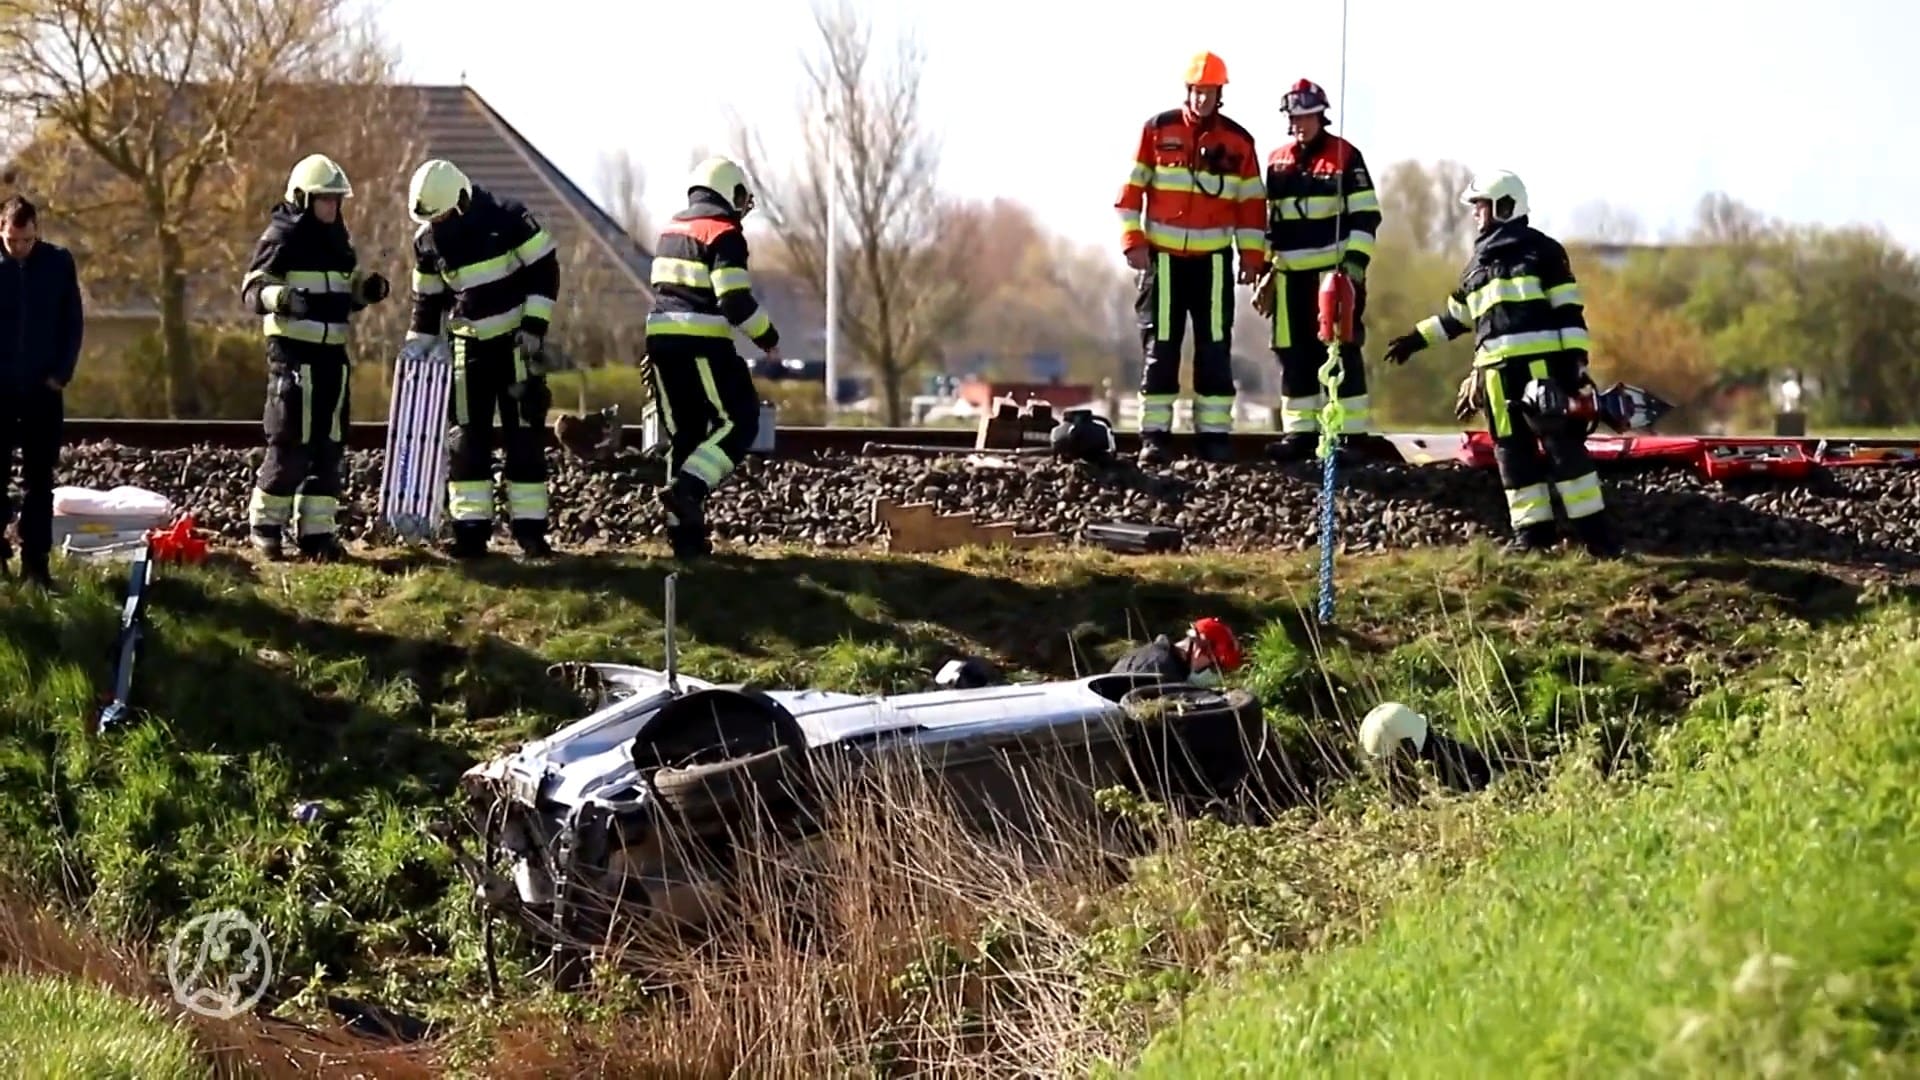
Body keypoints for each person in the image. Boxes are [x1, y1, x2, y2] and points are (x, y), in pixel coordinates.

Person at [1380, 170, 1620, 557]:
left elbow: (1569, 312)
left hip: (1543, 372)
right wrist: (1415, 339)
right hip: (1496, 379)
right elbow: (1455, 318)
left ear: (1505, 207)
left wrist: (1574, 368)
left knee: (1564, 451)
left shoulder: (1543, 252)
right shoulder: (1475, 265)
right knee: (1512, 455)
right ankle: (1533, 537)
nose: (1476, 214)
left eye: (1481, 206)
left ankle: (1597, 538)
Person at [1115, 51, 1268, 466]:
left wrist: (1252, 257)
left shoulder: (1239, 142)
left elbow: (1252, 206)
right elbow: (1130, 194)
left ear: (1220, 95)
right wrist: (1133, 240)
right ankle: (1155, 437)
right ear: (1188, 92)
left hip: (1213, 264)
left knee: (1215, 349)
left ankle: (1215, 437)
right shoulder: (1156, 130)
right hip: (1162, 262)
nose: (1202, 100)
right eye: (1197, 92)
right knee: (1160, 348)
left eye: (1210, 93)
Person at [404, 159, 560, 559]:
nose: (436, 224)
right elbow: (427, 304)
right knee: (465, 443)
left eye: (440, 215)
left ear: (460, 200)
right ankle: (470, 535)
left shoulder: (508, 219)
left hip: (516, 348)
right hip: (465, 351)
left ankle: (530, 534)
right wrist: (416, 351)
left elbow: (545, 267)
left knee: (523, 438)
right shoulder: (426, 243)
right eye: (430, 218)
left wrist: (535, 327)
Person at [238, 154, 390, 561]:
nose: (333, 207)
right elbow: (252, 290)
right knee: (289, 443)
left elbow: (344, 293)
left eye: (337, 201)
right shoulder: (281, 238)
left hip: (332, 359)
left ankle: (316, 534)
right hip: (292, 358)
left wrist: (365, 291)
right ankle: (266, 527)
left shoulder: (338, 241)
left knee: (329, 448)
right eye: (326, 200)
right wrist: (282, 299)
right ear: (304, 198)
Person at [642, 156, 778, 561]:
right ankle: (688, 490)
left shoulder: (670, 229)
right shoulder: (724, 232)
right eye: (739, 196)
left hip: (660, 341)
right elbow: (733, 298)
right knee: (740, 421)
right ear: (725, 191)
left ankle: (684, 538)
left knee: (685, 434)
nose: (741, 206)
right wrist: (767, 337)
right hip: (700, 341)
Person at [1255, 79, 1382, 462]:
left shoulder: (1345, 156)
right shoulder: (1277, 161)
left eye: (1305, 116)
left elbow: (1366, 216)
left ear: (1320, 115)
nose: (1298, 123)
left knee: (1340, 353)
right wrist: (1265, 271)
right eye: (1293, 117)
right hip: (1289, 276)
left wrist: (1354, 268)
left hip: (1334, 278)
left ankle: (1349, 436)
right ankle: (1300, 435)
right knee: (1293, 355)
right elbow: (1268, 224)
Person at [0, 195, 82, 588]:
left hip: (41, 389)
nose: (19, 248)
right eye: (12, 241)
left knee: (40, 481)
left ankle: (37, 567)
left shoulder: (57, 264)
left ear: (37, 232)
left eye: (26, 241)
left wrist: (60, 375)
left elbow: (72, 323)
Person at [1111, 617, 1244, 686]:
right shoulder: (1163, 674)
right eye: (1214, 668)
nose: (1214, 676)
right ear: (1198, 652)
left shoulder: (1150, 655)